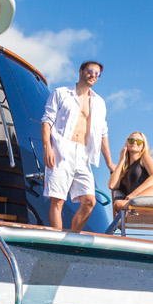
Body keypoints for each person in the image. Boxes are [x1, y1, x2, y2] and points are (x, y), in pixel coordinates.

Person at [41, 60, 113, 231]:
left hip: (84, 154)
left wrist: (109, 162)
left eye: (97, 74)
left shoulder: (99, 103)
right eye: (90, 71)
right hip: (61, 149)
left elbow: (103, 133)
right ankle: (57, 241)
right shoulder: (61, 93)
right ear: (81, 71)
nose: (93, 75)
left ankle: (73, 237)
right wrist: (47, 147)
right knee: (57, 200)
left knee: (89, 201)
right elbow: (47, 121)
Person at [105, 130, 153, 233]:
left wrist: (134, 194)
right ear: (126, 144)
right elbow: (111, 185)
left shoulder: (144, 157)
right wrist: (121, 160)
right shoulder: (123, 168)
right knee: (117, 205)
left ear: (143, 146)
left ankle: (132, 209)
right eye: (131, 140)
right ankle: (133, 210)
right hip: (135, 202)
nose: (134, 142)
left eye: (139, 142)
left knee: (120, 205)